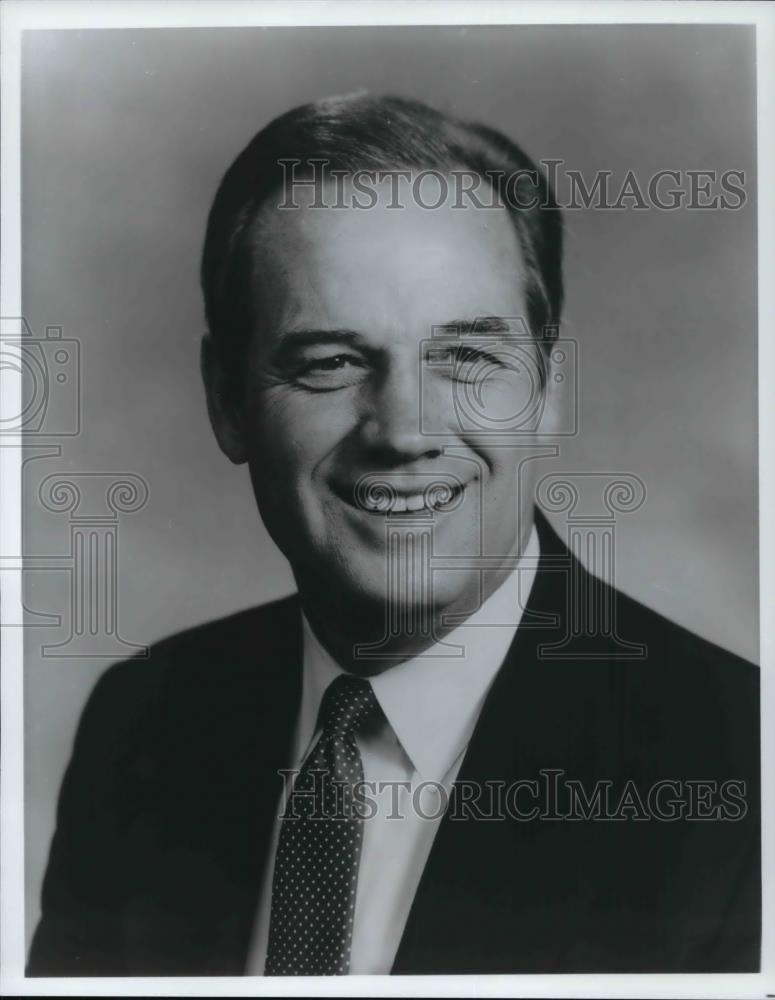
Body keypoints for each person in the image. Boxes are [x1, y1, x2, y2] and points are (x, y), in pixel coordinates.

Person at [27, 93, 760, 977]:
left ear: (549, 388)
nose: (403, 431)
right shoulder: (144, 724)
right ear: (226, 398)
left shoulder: (739, 769)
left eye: (466, 357)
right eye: (330, 361)